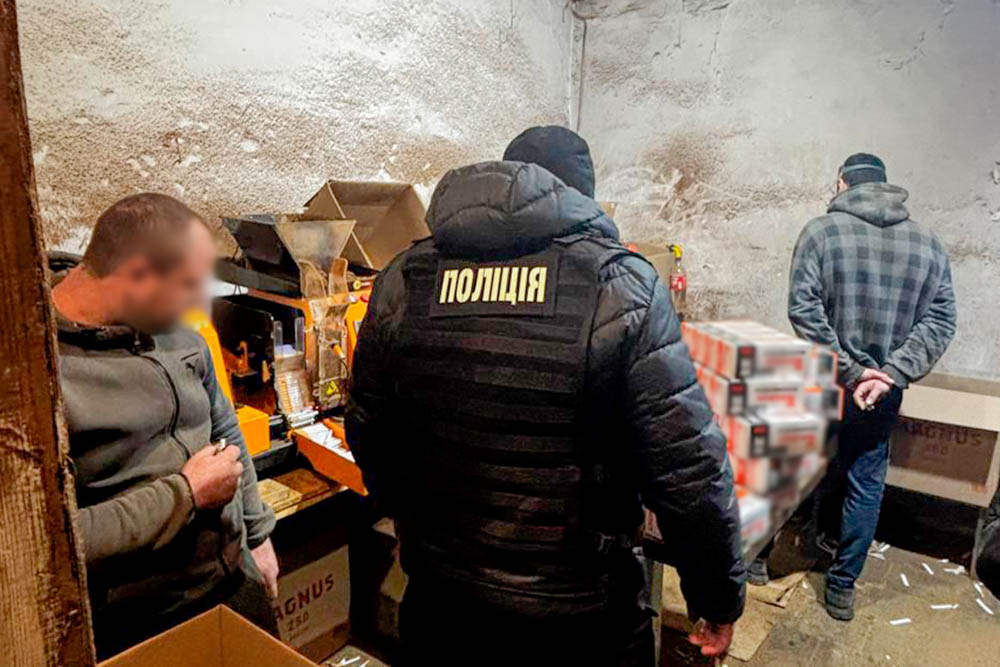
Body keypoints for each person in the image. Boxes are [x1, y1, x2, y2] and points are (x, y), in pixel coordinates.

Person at [347, 126, 745, 666]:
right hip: (580, 621)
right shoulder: (618, 287)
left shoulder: (404, 279)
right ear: (580, 198)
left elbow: (370, 429)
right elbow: (687, 469)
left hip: (442, 604)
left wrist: (409, 527)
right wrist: (716, 597)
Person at [50, 193, 278, 658]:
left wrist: (258, 534)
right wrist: (185, 494)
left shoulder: (173, 331)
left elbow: (225, 426)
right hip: (144, 622)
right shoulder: (41, 378)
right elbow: (56, 542)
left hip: (234, 582)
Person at [788, 153, 957, 621]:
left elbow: (804, 309)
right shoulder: (928, 243)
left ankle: (760, 562)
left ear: (842, 183)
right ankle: (842, 588)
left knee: (796, 463)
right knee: (865, 478)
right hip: (883, 389)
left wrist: (849, 370)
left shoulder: (820, 232)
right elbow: (941, 321)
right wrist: (890, 374)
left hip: (828, 378)